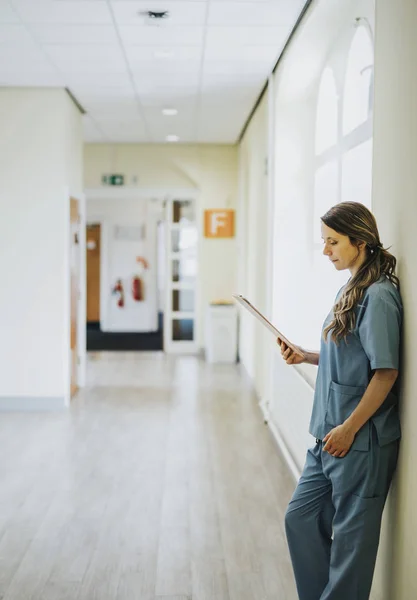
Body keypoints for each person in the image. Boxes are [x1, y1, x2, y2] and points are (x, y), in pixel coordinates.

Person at [278, 202, 402, 600]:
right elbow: (346, 355)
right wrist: (304, 354)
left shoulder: (380, 297)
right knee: (300, 520)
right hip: (326, 436)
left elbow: (385, 372)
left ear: (360, 242)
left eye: (333, 241)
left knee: (351, 551)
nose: (326, 250)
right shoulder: (351, 288)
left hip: (359, 442)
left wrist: (350, 429)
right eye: (324, 241)